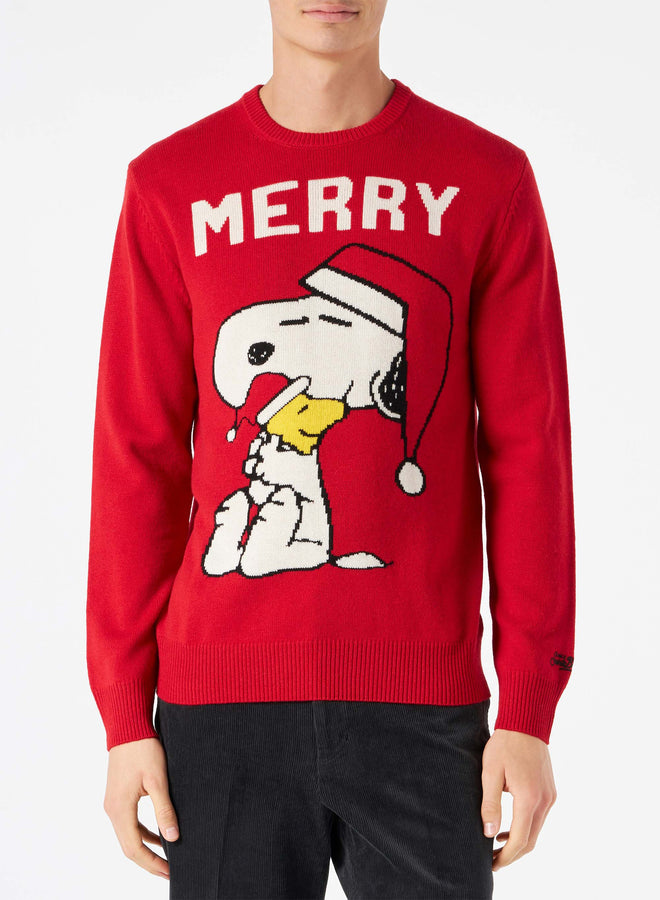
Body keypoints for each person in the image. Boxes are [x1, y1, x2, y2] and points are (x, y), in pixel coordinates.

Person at [86, 1, 575, 897]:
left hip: (426, 712)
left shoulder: (485, 179)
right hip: (217, 713)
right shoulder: (170, 183)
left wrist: (529, 706)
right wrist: (124, 713)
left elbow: (527, 453)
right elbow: (136, 453)